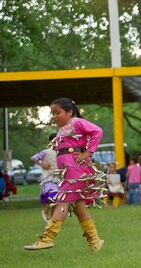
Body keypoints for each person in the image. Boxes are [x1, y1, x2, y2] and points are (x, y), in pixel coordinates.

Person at [25, 97, 105, 252]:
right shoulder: (63, 129)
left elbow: (98, 131)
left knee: (62, 200)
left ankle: (47, 239)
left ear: (69, 112)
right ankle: (95, 241)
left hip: (77, 170)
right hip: (71, 171)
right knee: (79, 207)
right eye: (52, 113)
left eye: (57, 112)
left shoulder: (76, 122)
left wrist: (88, 152)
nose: (54, 116)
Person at [30, 133, 59, 222]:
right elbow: (33, 158)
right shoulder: (46, 152)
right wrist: (42, 164)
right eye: (54, 140)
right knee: (52, 197)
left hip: (58, 179)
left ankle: (52, 219)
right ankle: (46, 212)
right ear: (50, 142)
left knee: (56, 200)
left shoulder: (61, 152)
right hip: (47, 178)